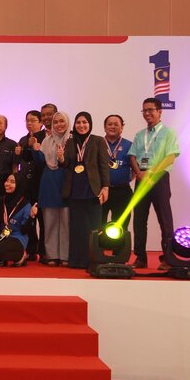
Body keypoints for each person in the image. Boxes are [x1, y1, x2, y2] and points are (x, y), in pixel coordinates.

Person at [128, 98, 180, 270]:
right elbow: (132, 156)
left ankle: (168, 257)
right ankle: (140, 258)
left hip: (159, 178)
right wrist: (139, 173)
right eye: (144, 110)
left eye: (150, 110)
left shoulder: (168, 132)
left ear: (159, 111)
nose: (147, 113)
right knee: (139, 219)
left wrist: (151, 172)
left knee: (165, 219)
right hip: (141, 179)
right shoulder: (139, 135)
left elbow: (171, 156)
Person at [62, 112, 110, 269]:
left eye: (84, 122)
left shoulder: (98, 141)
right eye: (78, 122)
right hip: (74, 190)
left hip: (93, 190)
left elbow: (104, 165)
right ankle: (76, 261)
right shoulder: (70, 142)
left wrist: (105, 187)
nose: (81, 125)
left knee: (93, 227)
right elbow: (66, 164)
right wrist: (61, 158)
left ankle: (93, 260)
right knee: (76, 228)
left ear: (90, 124)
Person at [32, 111, 70, 266]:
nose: (59, 124)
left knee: (66, 222)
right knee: (50, 221)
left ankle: (66, 255)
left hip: (66, 182)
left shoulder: (72, 141)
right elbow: (41, 162)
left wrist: (63, 158)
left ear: (67, 122)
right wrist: (35, 151)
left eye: (62, 121)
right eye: (56, 122)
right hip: (49, 182)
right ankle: (52, 255)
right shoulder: (46, 141)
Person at [0, 173, 36, 267]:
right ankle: (1, 258)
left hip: (17, 238)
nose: (7, 184)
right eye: (7, 181)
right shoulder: (1, 200)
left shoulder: (25, 205)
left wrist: (31, 216)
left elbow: (24, 230)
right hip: (3, 235)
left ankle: (21, 256)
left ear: (19, 185)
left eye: (12, 182)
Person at [17, 109, 47, 261]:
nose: (29, 123)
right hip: (25, 184)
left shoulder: (45, 138)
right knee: (28, 218)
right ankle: (31, 249)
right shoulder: (23, 139)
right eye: (27, 120)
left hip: (40, 183)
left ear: (41, 123)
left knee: (43, 219)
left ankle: (44, 250)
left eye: (33, 120)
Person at [102, 114, 133, 229]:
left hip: (122, 192)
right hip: (101, 191)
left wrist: (125, 179)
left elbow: (135, 167)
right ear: (104, 127)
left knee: (121, 228)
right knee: (98, 226)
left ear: (122, 127)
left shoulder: (129, 145)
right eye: (109, 124)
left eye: (116, 124)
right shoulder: (98, 143)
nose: (112, 126)